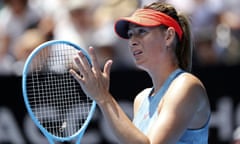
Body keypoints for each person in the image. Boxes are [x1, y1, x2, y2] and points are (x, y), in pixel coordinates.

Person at [70, 1, 211, 144]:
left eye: (142, 32)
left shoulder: (185, 85)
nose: (132, 41)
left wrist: (103, 98)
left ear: (168, 36)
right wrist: (103, 98)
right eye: (130, 34)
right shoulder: (141, 99)